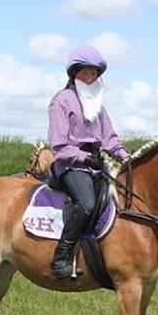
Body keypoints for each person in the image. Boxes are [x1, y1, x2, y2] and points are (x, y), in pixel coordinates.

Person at [47, 45, 130, 279]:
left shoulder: (98, 106)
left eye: (95, 74)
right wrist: (85, 158)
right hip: (71, 166)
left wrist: (126, 157)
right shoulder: (61, 102)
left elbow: (110, 139)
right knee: (87, 204)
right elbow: (60, 146)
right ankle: (60, 260)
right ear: (75, 74)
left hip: (96, 165)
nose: (92, 78)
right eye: (87, 73)